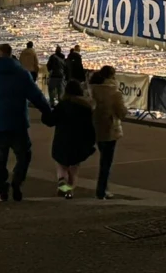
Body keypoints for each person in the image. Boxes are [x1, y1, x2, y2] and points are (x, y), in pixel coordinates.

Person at [0, 43, 52, 201]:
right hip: (18, 123)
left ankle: (2, 191)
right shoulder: (22, 74)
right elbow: (36, 96)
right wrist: (47, 112)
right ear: (11, 55)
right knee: (24, 156)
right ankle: (17, 183)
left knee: (0, 160)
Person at [42, 80, 95, 198]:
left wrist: (45, 112)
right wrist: (91, 143)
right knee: (74, 170)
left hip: (61, 141)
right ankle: (68, 190)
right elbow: (90, 128)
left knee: (61, 167)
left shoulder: (62, 105)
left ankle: (62, 183)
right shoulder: (86, 108)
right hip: (78, 143)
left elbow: (50, 121)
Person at [90, 65, 127, 199]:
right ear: (112, 76)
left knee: (103, 159)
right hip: (111, 129)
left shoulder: (93, 89)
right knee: (106, 162)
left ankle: (102, 188)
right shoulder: (114, 92)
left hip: (96, 127)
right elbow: (122, 113)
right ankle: (102, 190)